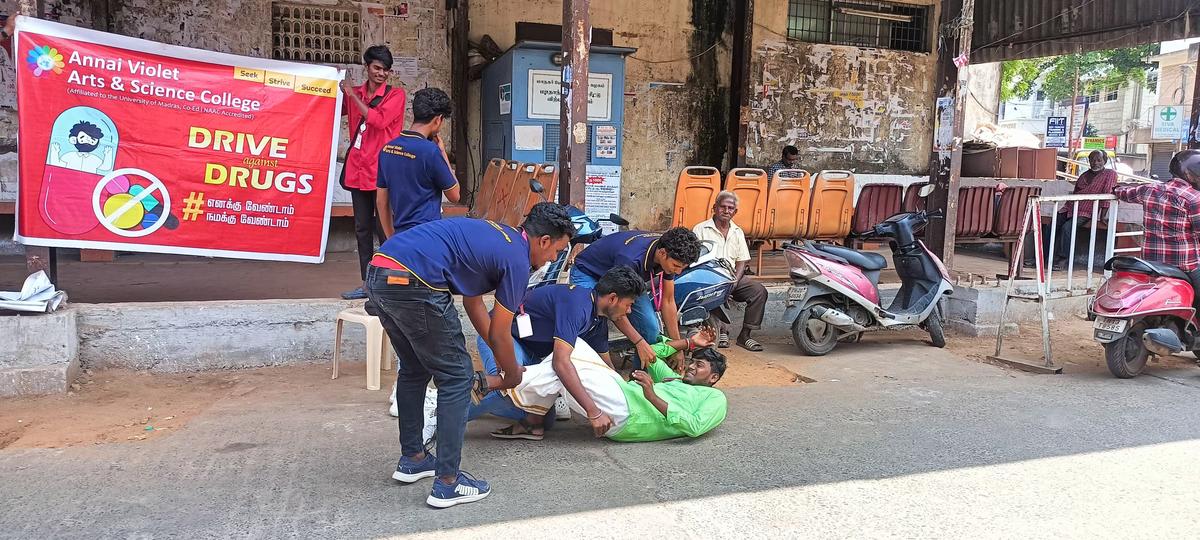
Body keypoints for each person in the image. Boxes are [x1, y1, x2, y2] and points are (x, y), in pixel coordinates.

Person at [367, 203, 573, 508]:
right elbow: (501, 332)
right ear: (544, 240)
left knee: (414, 369)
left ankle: (414, 459)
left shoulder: (498, 237)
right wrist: (512, 373)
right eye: (557, 250)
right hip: (415, 282)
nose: (553, 258)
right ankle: (448, 483)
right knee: (457, 378)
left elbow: (474, 304)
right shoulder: (517, 260)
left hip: (379, 272)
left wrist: (502, 359)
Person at [458, 266, 647, 441]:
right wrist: (594, 411)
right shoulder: (577, 304)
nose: (629, 311)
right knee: (509, 385)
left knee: (542, 419)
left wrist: (629, 395)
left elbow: (605, 367)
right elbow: (560, 363)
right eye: (628, 304)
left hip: (530, 352)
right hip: (500, 336)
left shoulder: (598, 321)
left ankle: (487, 403)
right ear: (612, 298)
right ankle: (446, 414)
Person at [478, 338, 727, 442]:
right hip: (622, 394)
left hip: (629, 417)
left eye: (699, 366)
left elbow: (694, 426)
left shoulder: (715, 397)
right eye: (693, 361)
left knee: (564, 368)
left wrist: (652, 396)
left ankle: (494, 384)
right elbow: (650, 353)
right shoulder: (675, 380)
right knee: (572, 346)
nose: (691, 366)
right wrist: (689, 343)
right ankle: (532, 420)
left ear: (713, 377)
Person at [569, 228, 702, 369]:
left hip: (628, 277)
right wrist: (639, 342)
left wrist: (677, 347)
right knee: (592, 324)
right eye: (676, 266)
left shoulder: (671, 254)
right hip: (590, 272)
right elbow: (615, 309)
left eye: (682, 267)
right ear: (662, 253)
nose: (678, 272)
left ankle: (639, 378)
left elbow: (668, 301)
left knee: (651, 329)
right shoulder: (631, 259)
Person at [340, 45, 408, 300]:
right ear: (366, 67)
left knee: (385, 228)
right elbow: (330, 107)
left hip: (382, 172)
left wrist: (352, 96)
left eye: (386, 70)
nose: (381, 73)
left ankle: (391, 281)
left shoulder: (396, 95)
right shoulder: (354, 92)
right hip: (357, 170)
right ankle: (367, 283)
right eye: (377, 68)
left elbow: (378, 120)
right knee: (362, 229)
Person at [1113, 150, 1200, 311]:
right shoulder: (1194, 198)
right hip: (1185, 265)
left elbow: (1123, 192)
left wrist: (1115, 189)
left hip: (1151, 263)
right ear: (1189, 173)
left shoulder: (1149, 189)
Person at [375, 87, 460, 238]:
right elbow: (455, 196)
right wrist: (442, 152)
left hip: (401, 236)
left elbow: (381, 201)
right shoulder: (431, 152)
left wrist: (391, 238)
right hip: (428, 236)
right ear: (438, 119)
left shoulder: (387, 149)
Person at [693, 191, 769, 352]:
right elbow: (695, 260)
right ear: (714, 208)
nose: (726, 211)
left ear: (735, 212)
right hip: (709, 278)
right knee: (715, 293)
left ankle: (745, 335)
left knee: (759, 291)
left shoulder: (737, 231)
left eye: (730, 208)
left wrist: (734, 281)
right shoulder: (700, 229)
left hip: (732, 277)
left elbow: (742, 261)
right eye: (723, 207)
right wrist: (722, 284)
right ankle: (722, 332)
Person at [1049, 150, 1118, 269]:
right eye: (1092, 160)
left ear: (1105, 161)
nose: (1095, 163)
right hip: (1070, 207)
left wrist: (1103, 216)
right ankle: (1043, 257)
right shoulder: (1084, 175)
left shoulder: (1110, 174)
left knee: (1067, 228)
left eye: (1099, 160)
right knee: (1051, 225)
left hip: (1087, 210)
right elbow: (1075, 192)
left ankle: (1063, 259)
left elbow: (1108, 193)